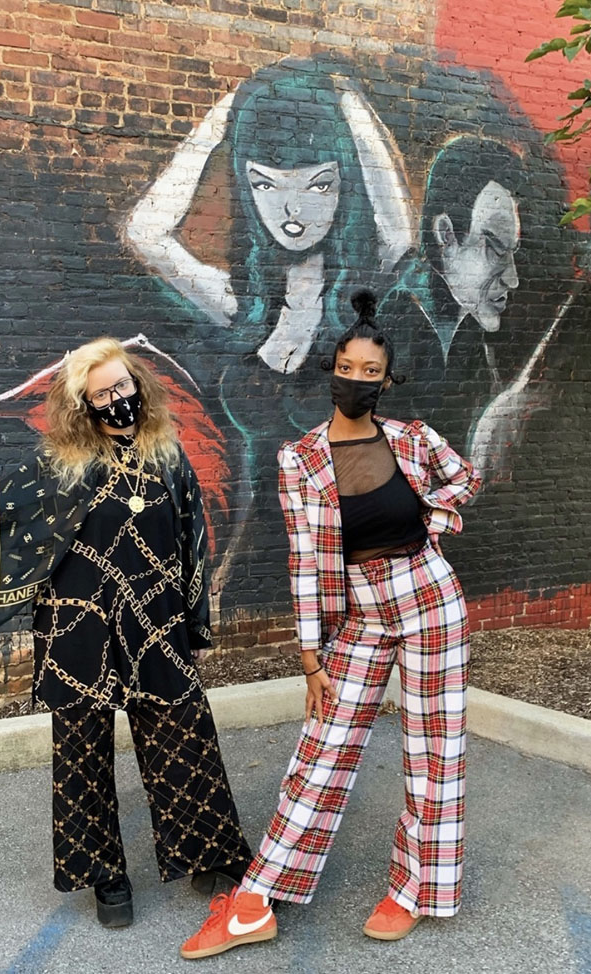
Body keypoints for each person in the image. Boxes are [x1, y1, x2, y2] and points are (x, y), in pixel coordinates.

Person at [0, 337, 252, 928]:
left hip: (156, 622)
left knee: (183, 732)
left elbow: (192, 541)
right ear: (81, 405)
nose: (120, 399)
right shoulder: (57, 466)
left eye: (124, 386)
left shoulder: (168, 456)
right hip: (78, 626)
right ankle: (105, 876)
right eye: (103, 393)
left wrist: (193, 619)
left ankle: (210, 853)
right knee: (81, 752)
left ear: (139, 384)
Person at [179, 290, 482, 959]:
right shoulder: (300, 458)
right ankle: (259, 897)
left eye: (372, 372)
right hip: (363, 617)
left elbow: (465, 480)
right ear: (332, 368)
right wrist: (310, 658)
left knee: (434, 756)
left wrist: (432, 517)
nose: (358, 379)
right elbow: (308, 565)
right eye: (350, 366)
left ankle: (413, 890)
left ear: (387, 380)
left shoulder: (412, 438)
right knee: (322, 750)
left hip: (431, 601)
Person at [125, 58, 415, 610]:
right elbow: (147, 231)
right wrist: (223, 117)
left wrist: (350, 107)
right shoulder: (242, 305)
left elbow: (398, 230)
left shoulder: (357, 302)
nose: (292, 212)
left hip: (340, 559)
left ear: (343, 184)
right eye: (265, 184)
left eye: (319, 185)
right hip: (245, 571)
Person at [380, 136, 525, 452]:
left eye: (512, 250)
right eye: (496, 248)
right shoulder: (393, 323)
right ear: (445, 234)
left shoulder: (471, 327)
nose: (512, 279)